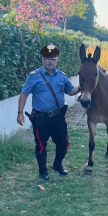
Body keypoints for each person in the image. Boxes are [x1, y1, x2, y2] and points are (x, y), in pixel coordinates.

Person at [17, 43, 80, 181]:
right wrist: (20, 113)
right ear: (42, 60)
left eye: (53, 59)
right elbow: (23, 95)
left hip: (58, 117)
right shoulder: (34, 76)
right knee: (40, 144)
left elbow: (70, 91)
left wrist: (81, 87)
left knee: (64, 143)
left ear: (56, 60)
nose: (50, 61)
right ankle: (43, 170)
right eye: (47, 58)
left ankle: (57, 165)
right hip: (41, 118)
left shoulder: (62, 76)